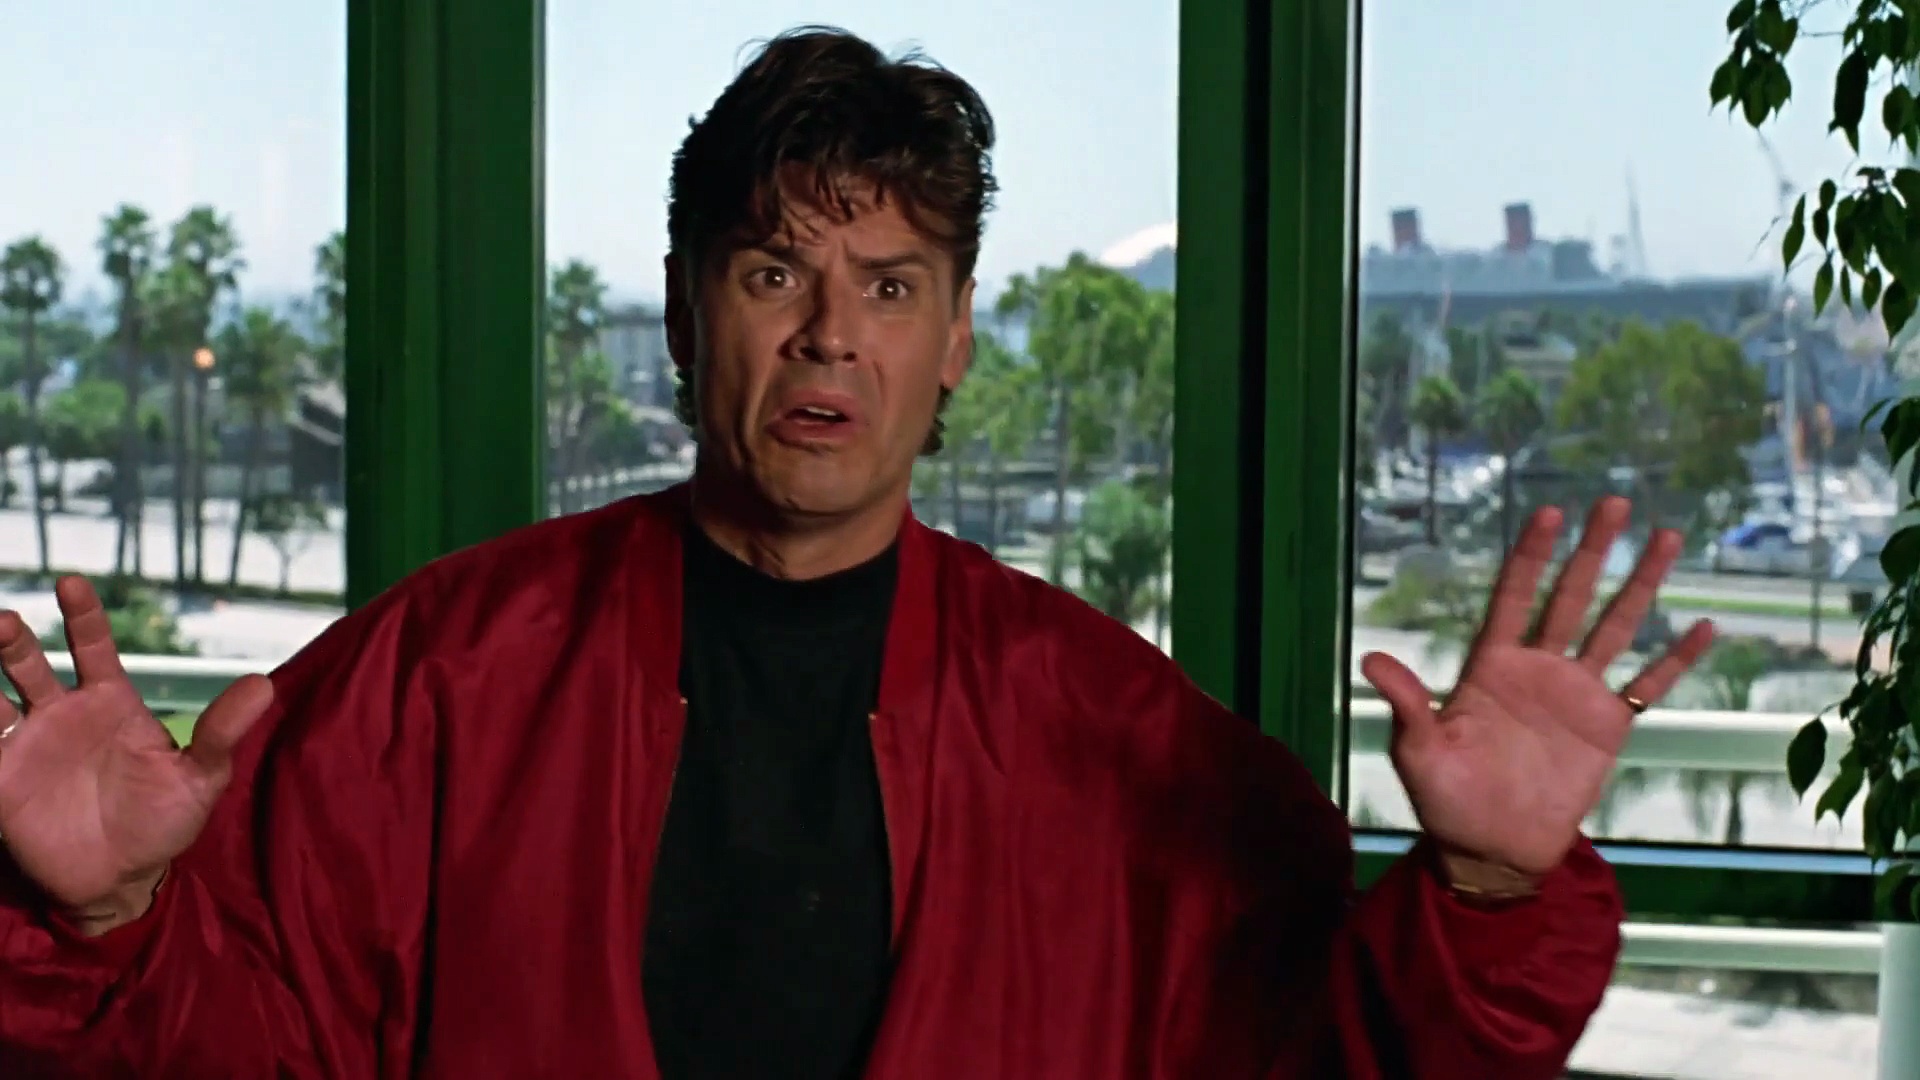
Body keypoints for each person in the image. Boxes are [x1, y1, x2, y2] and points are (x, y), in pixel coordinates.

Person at [0, 26, 1712, 1080]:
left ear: (955, 337)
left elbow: (1345, 1054)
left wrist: (1490, 896)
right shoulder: (440, 681)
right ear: (686, 315)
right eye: (773, 274)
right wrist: (103, 920)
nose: (829, 334)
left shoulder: (1113, 734)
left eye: (889, 286)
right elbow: (235, 1046)